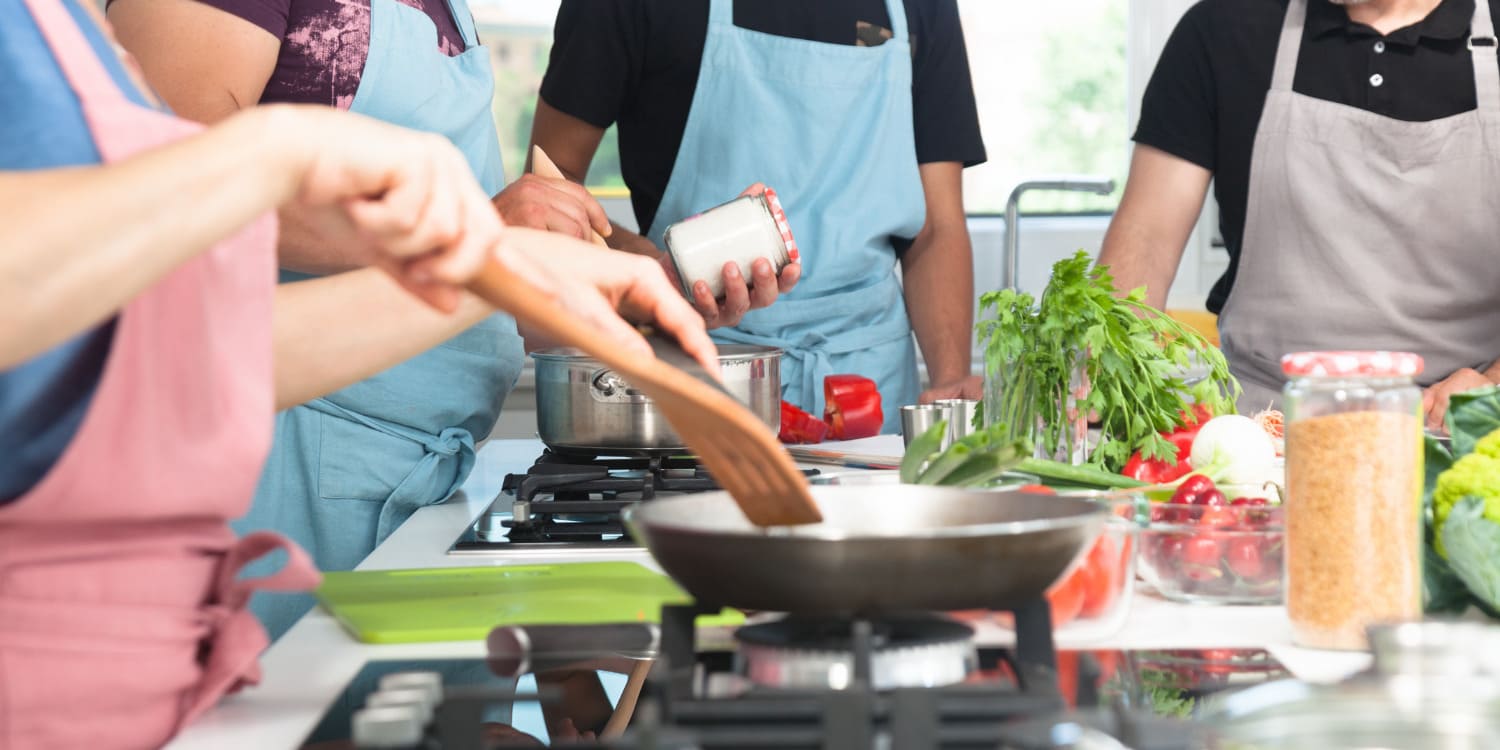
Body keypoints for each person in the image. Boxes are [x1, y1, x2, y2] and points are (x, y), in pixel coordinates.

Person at [0, 1, 713, 744]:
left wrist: (506, 269)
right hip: (290, 479)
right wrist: (282, 160)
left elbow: (200, 341)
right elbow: (162, 264)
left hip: (410, 481)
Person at [106, 0, 770, 639]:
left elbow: (473, 275)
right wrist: (471, 235)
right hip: (280, 470)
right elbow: (164, 188)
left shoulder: (447, 11)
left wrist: (644, 289)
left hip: (420, 483)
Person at [532, 0, 988, 432]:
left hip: (870, 393)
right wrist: (648, 270)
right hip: (705, 373)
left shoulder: (922, 6)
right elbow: (549, 183)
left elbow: (936, 228)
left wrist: (948, 384)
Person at [1099, 0, 1500, 429]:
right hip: (1259, 437)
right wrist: (1109, 369)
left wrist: (1492, 388)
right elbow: (1147, 236)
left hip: (1460, 436)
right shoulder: (1222, 28)